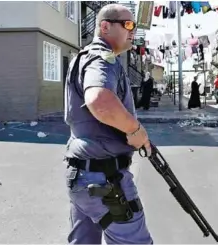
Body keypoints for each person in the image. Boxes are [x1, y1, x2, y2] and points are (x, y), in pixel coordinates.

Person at [63, 4, 153, 244]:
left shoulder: (83, 57)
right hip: (104, 180)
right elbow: (99, 100)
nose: (133, 31)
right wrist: (136, 130)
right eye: (128, 25)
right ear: (105, 27)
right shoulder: (103, 58)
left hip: (82, 175)